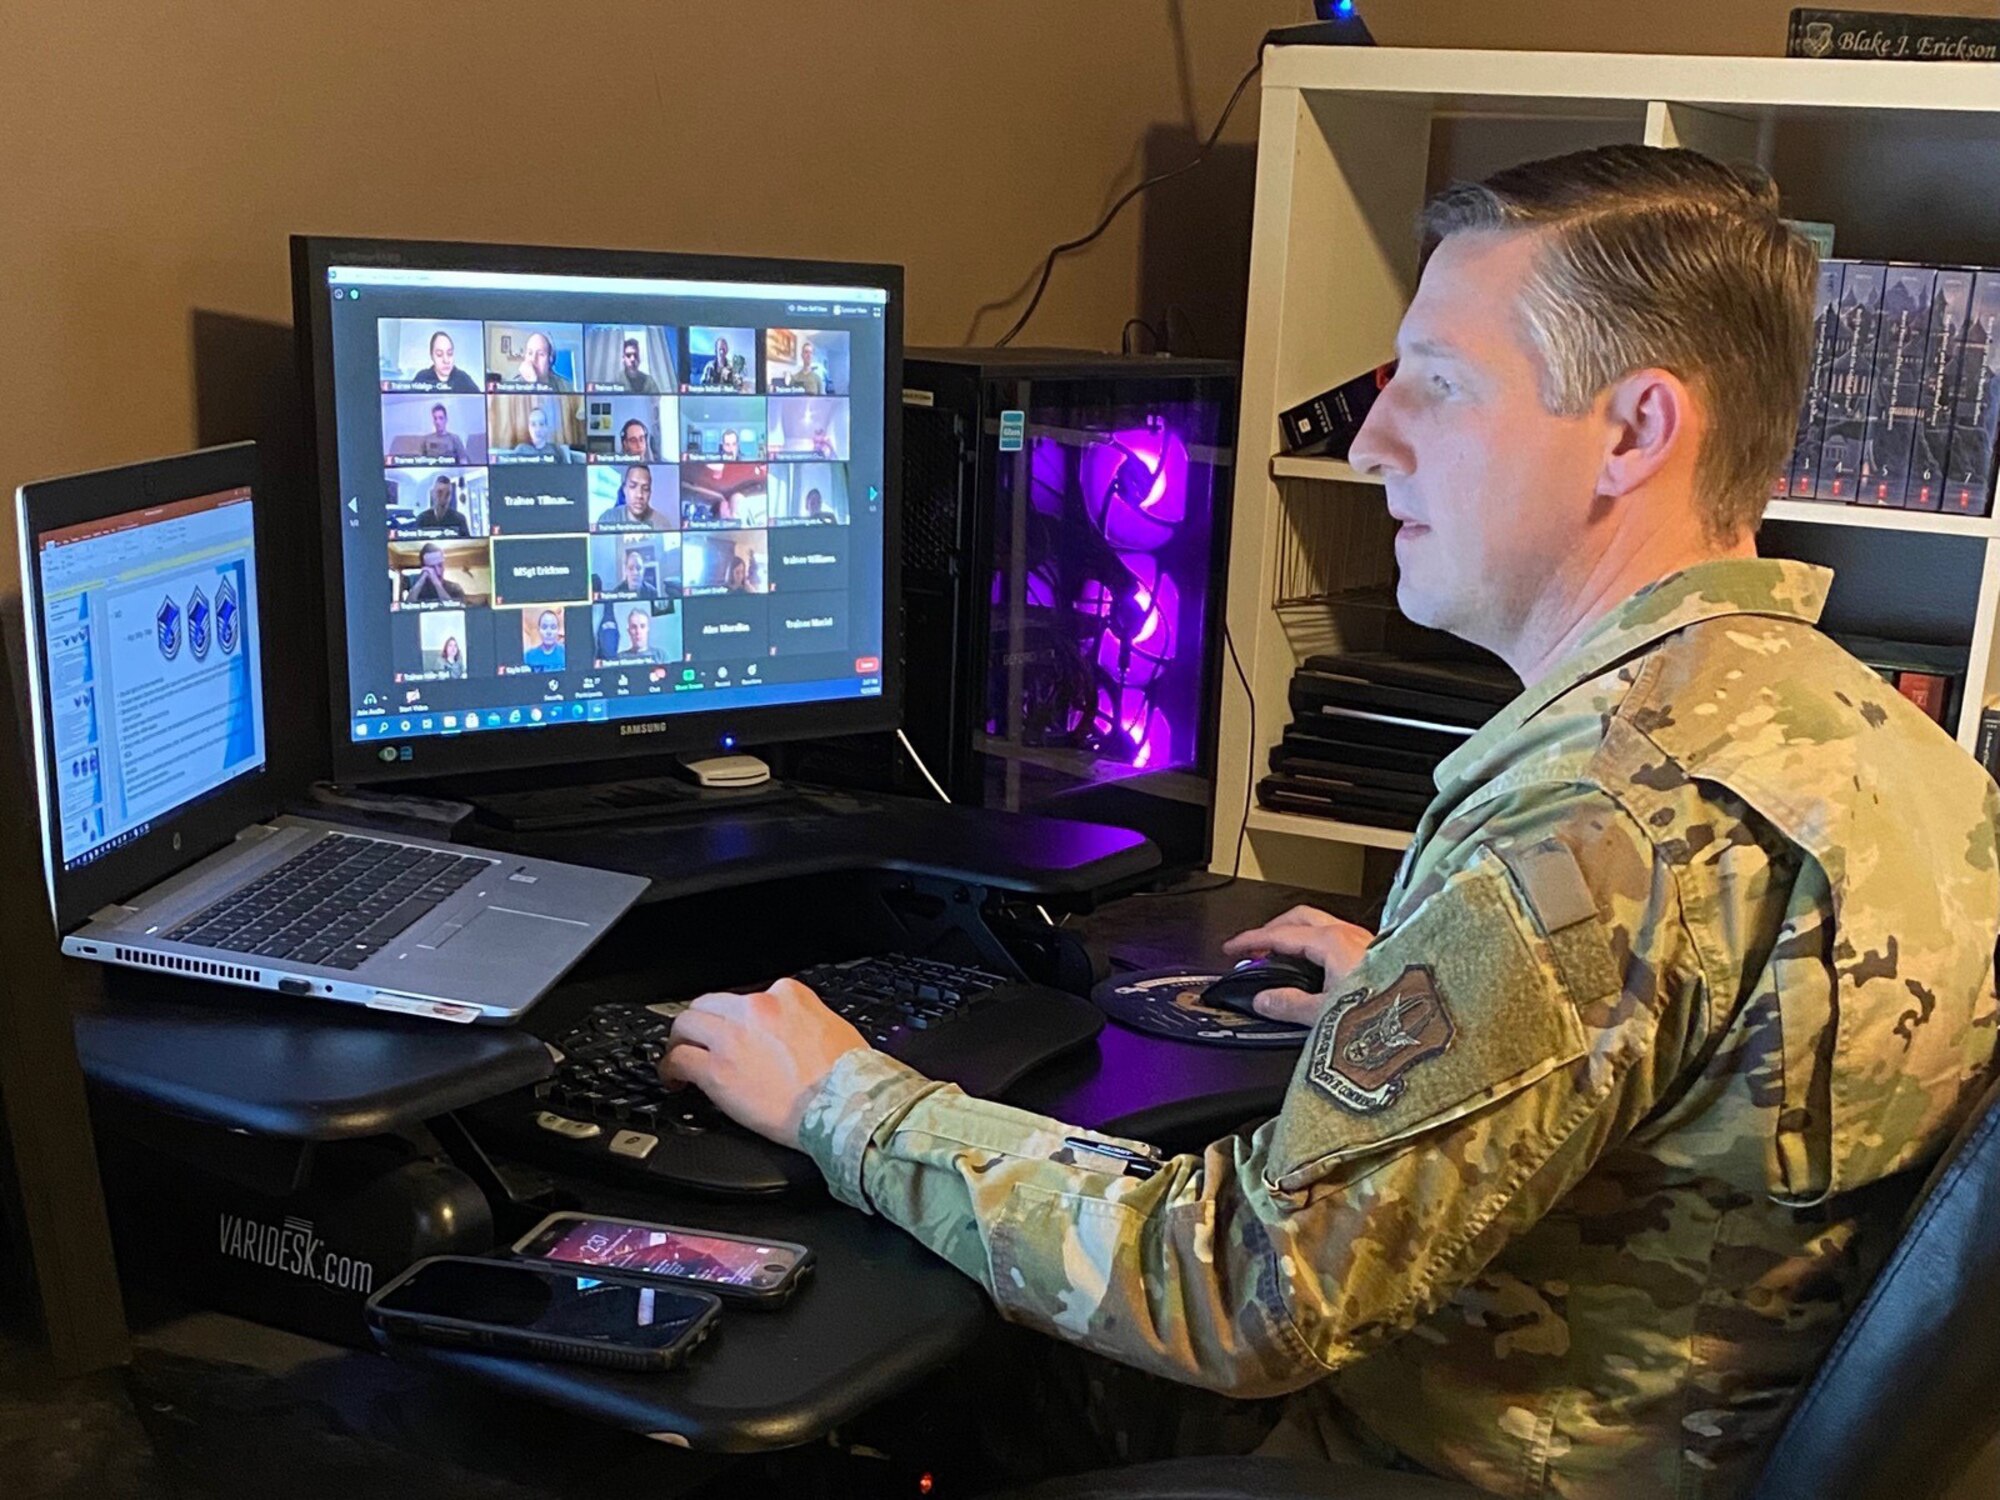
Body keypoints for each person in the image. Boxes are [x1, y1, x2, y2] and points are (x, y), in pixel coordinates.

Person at [655, 146, 2000, 1499]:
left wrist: (849, 1102)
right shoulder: (1870, 735)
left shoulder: (1598, 815)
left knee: (832, 1378)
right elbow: (1726, 1056)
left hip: (1445, 1463)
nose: (1369, 441)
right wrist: (1450, 1005)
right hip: (1679, 1421)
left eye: (1441, 384)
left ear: (1636, 431)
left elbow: (1241, 1296)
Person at [594, 464, 671, 530]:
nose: (639, 495)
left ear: (650, 493)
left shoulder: (662, 524)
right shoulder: (608, 518)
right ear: (624, 489)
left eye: (645, 489)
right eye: (633, 486)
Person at [506, 403, 580, 463]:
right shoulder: (521, 450)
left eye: (541, 424)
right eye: (533, 424)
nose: (538, 429)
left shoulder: (557, 450)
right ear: (529, 428)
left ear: (546, 427)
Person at [409, 330, 480, 393]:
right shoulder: (422, 378)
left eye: (450, 354)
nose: (446, 360)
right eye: (439, 354)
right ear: (432, 356)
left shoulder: (463, 379)